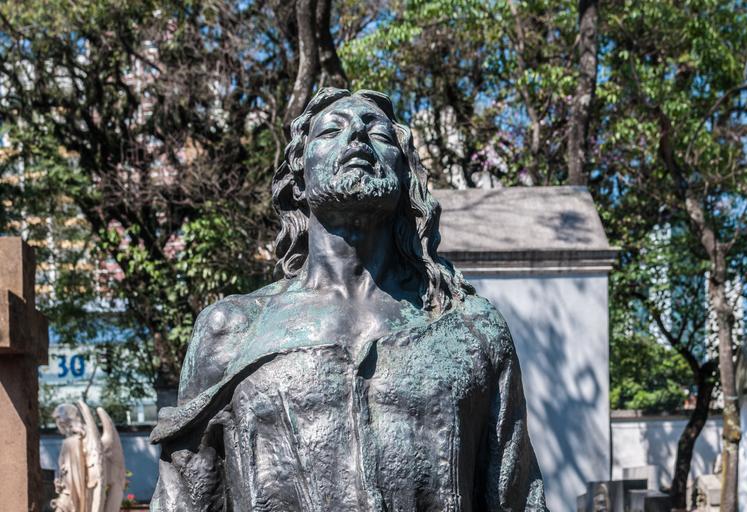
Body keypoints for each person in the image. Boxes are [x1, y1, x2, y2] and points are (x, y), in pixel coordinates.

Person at [151, 88, 547, 511]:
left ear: (406, 176)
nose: (357, 133)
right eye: (331, 131)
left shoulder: (471, 329)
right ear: (298, 181)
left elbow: (516, 499)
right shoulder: (233, 330)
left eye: (379, 133)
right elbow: (183, 499)